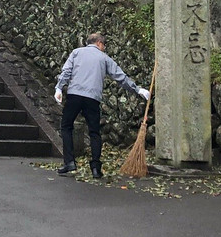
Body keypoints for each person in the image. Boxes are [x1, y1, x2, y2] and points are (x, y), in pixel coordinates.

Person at [54, 31, 150, 179]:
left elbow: (66, 71)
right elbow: (120, 77)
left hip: (74, 95)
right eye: (104, 44)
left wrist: (59, 88)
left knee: (66, 126)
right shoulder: (104, 58)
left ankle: (69, 162)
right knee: (94, 132)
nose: (104, 47)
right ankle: (96, 168)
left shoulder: (76, 53)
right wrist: (138, 90)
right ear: (99, 43)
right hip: (92, 98)